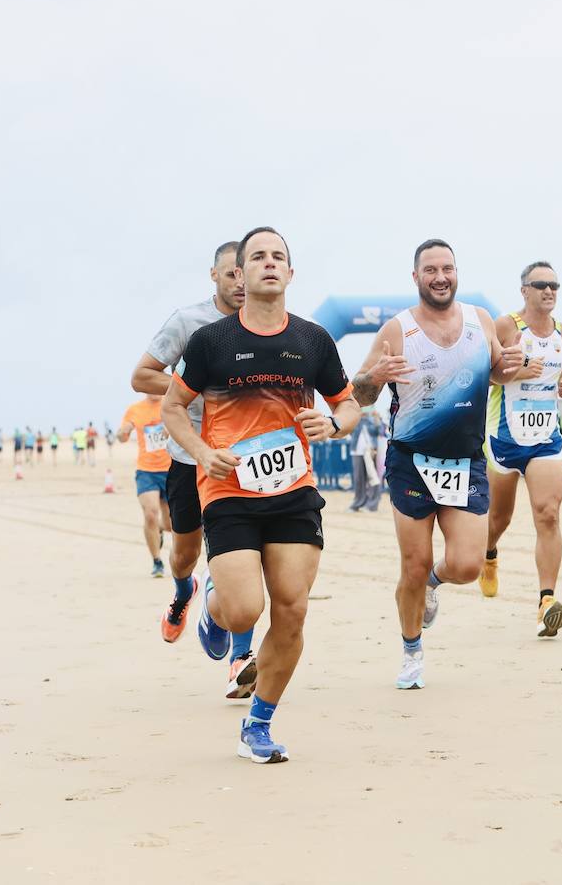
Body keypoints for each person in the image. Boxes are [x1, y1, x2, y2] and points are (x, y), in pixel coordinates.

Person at [164, 226, 360, 763]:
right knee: (245, 610)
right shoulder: (212, 343)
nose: (269, 264)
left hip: (294, 490)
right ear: (241, 275)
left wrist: (334, 425)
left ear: (291, 273)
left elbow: (348, 405)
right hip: (228, 489)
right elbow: (173, 408)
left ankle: (259, 723)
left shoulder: (314, 340)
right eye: (258, 257)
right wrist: (202, 454)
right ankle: (214, 608)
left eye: (279, 257)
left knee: (292, 610)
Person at [352, 238, 524, 690]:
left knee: (467, 565)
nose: (440, 276)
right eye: (431, 270)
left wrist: (510, 365)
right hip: (411, 460)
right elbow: (360, 392)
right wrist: (374, 378)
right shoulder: (397, 330)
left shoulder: (479, 320)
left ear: (456, 273)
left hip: (465, 460)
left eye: (447, 268)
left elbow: (497, 374)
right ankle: (411, 650)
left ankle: (432, 582)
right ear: (416, 278)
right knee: (412, 561)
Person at [132, 240, 251, 680]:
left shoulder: (264, 323)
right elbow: (141, 375)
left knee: (237, 551)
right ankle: (186, 592)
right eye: (230, 273)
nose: (240, 281)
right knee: (183, 555)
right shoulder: (189, 321)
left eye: (244, 272)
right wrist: (197, 386)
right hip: (187, 457)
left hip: (242, 458)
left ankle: (242, 655)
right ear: (214, 276)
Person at [479, 260, 562, 637]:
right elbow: (488, 375)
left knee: (548, 514)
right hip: (504, 438)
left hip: (545, 438)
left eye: (554, 285)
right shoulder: (506, 326)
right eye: (540, 285)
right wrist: (518, 371)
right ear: (524, 291)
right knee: (498, 520)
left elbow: (561, 376)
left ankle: (546, 601)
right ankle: (489, 554)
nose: (548, 291)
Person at [118, 395, 173, 578]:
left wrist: (172, 429)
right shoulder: (135, 409)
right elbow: (122, 438)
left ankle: (158, 528)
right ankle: (157, 561)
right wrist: (123, 432)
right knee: (150, 513)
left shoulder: (171, 402)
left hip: (171, 469)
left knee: (170, 524)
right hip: (146, 471)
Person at [347, 410, 383, 513]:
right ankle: (358, 503)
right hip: (356, 452)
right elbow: (349, 432)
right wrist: (356, 417)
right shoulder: (354, 419)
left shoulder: (373, 419)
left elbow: (378, 432)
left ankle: (372, 505)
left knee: (373, 478)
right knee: (358, 479)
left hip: (370, 452)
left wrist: (376, 419)